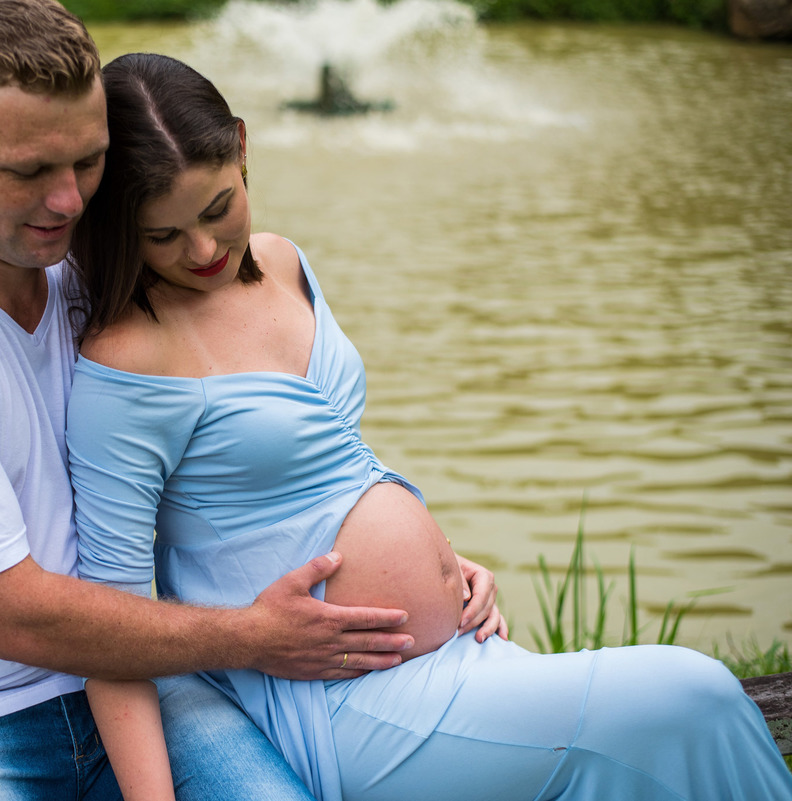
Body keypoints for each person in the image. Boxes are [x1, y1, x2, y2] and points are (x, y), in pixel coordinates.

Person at [0, 2, 512, 798]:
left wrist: (418, 557)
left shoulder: (101, 286)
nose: (68, 201)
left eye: (88, 163)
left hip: (150, 681)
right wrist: (251, 636)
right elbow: (16, 615)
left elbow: (253, 449)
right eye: (29, 171)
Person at [65, 52, 792, 801]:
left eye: (218, 208)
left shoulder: (283, 263)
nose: (205, 250)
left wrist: (444, 561)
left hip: (456, 653)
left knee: (651, 750)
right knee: (691, 692)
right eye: (164, 235)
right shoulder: (129, 363)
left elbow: (329, 462)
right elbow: (111, 632)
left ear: (243, 147)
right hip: (341, 699)